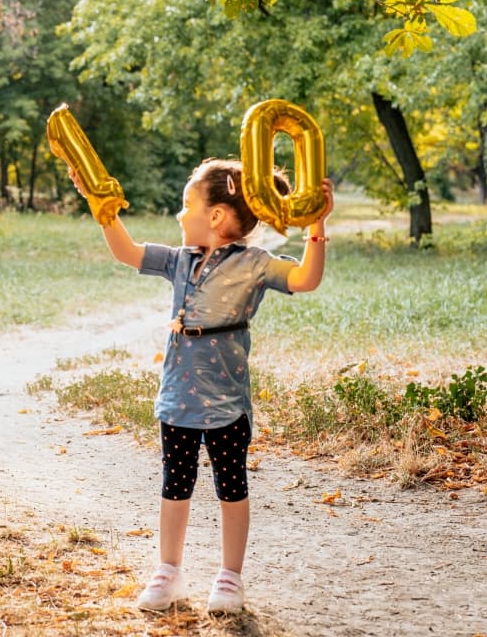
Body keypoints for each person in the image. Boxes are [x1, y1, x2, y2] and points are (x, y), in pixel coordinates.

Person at [71, 158, 333, 613]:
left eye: (186, 204)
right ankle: (167, 571)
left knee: (231, 486)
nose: (179, 214)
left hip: (226, 402)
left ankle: (229, 578)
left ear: (214, 216)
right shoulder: (179, 260)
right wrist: (100, 204)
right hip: (177, 397)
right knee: (175, 483)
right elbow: (126, 251)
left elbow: (306, 279)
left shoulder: (255, 264)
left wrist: (316, 226)